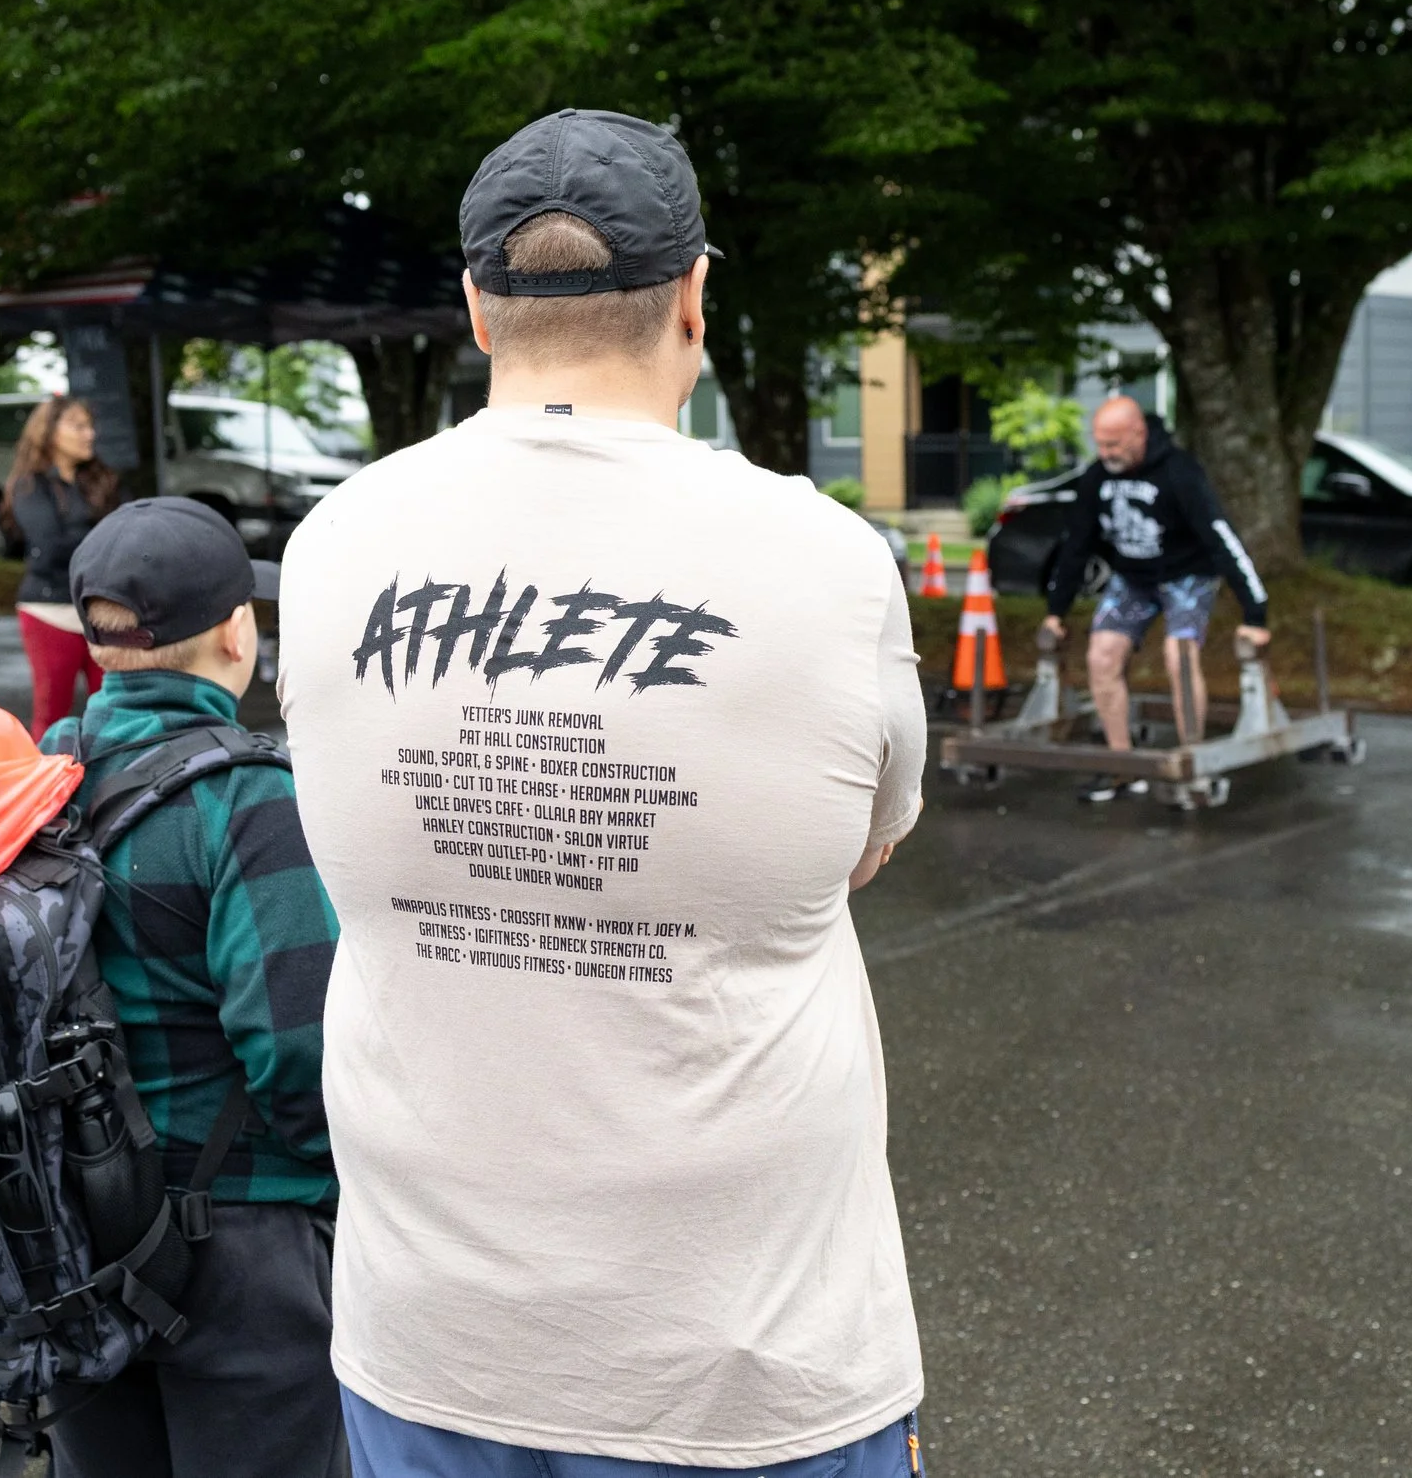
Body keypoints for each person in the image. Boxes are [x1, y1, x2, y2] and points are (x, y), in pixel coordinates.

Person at [276, 108, 930, 1478]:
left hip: (428, 1337)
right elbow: (865, 844)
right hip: (745, 1354)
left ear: (475, 308)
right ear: (696, 294)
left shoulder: (330, 545)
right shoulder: (824, 557)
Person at [39, 497, 347, 1478]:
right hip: (237, 1247)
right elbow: (301, 1052)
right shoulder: (252, 796)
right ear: (234, 629)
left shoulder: (41, 768)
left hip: (69, 1231)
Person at [1037, 394, 1274, 802]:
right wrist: (1056, 611)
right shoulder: (1097, 478)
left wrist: (1255, 613)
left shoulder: (1179, 473)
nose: (1106, 453)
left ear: (1138, 434)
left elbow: (1221, 539)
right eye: (1100, 443)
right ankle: (1122, 767)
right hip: (1134, 578)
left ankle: (1190, 762)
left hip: (1188, 576)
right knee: (1102, 656)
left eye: (1115, 444)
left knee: (1178, 655)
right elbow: (1077, 544)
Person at [5, 394, 124, 737]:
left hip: (101, 608)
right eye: (78, 426)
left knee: (112, 709)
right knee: (53, 713)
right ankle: (46, 788)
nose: (89, 434)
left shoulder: (100, 481)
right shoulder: (31, 485)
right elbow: (50, 546)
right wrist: (104, 542)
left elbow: (126, 531)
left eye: (90, 426)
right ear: (50, 432)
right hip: (50, 610)